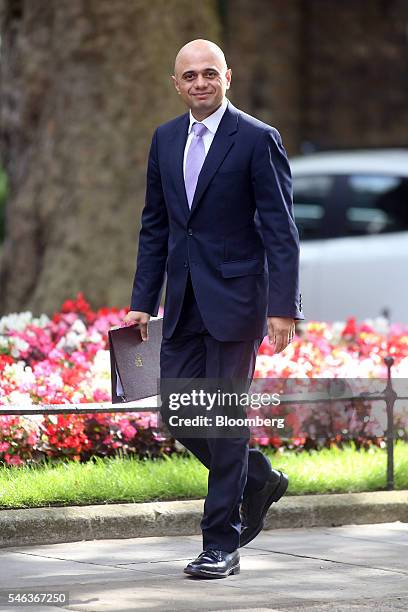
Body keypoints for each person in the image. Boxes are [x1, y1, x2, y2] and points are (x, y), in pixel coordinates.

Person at [124, 39, 304, 578]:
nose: (200, 83)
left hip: (237, 304)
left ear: (228, 76)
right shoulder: (164, 139)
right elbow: (156, 225)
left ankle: (219, 543)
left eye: (210, 74)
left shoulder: (256, 139)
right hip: (181, 304)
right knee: (180, 415)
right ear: (175, 84)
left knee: (223, 419)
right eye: (189, 76)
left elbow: (281, 231)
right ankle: (258, 478)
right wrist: (141, 303)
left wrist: (283, 307)